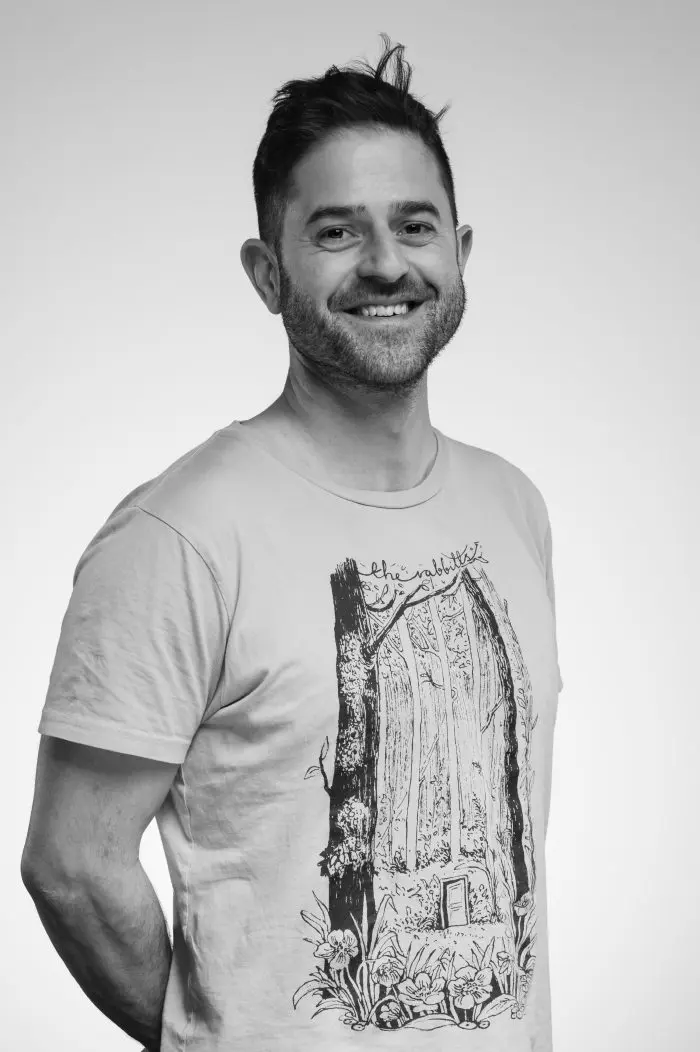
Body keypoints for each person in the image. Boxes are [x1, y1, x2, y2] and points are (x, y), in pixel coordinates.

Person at [20, 33, 563, 1052]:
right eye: (335, 232)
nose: (386, 262)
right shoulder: (181, 531)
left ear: (460, 252)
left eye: (414, 224)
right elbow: (72, 864)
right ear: (267, 273)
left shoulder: (513, 506)